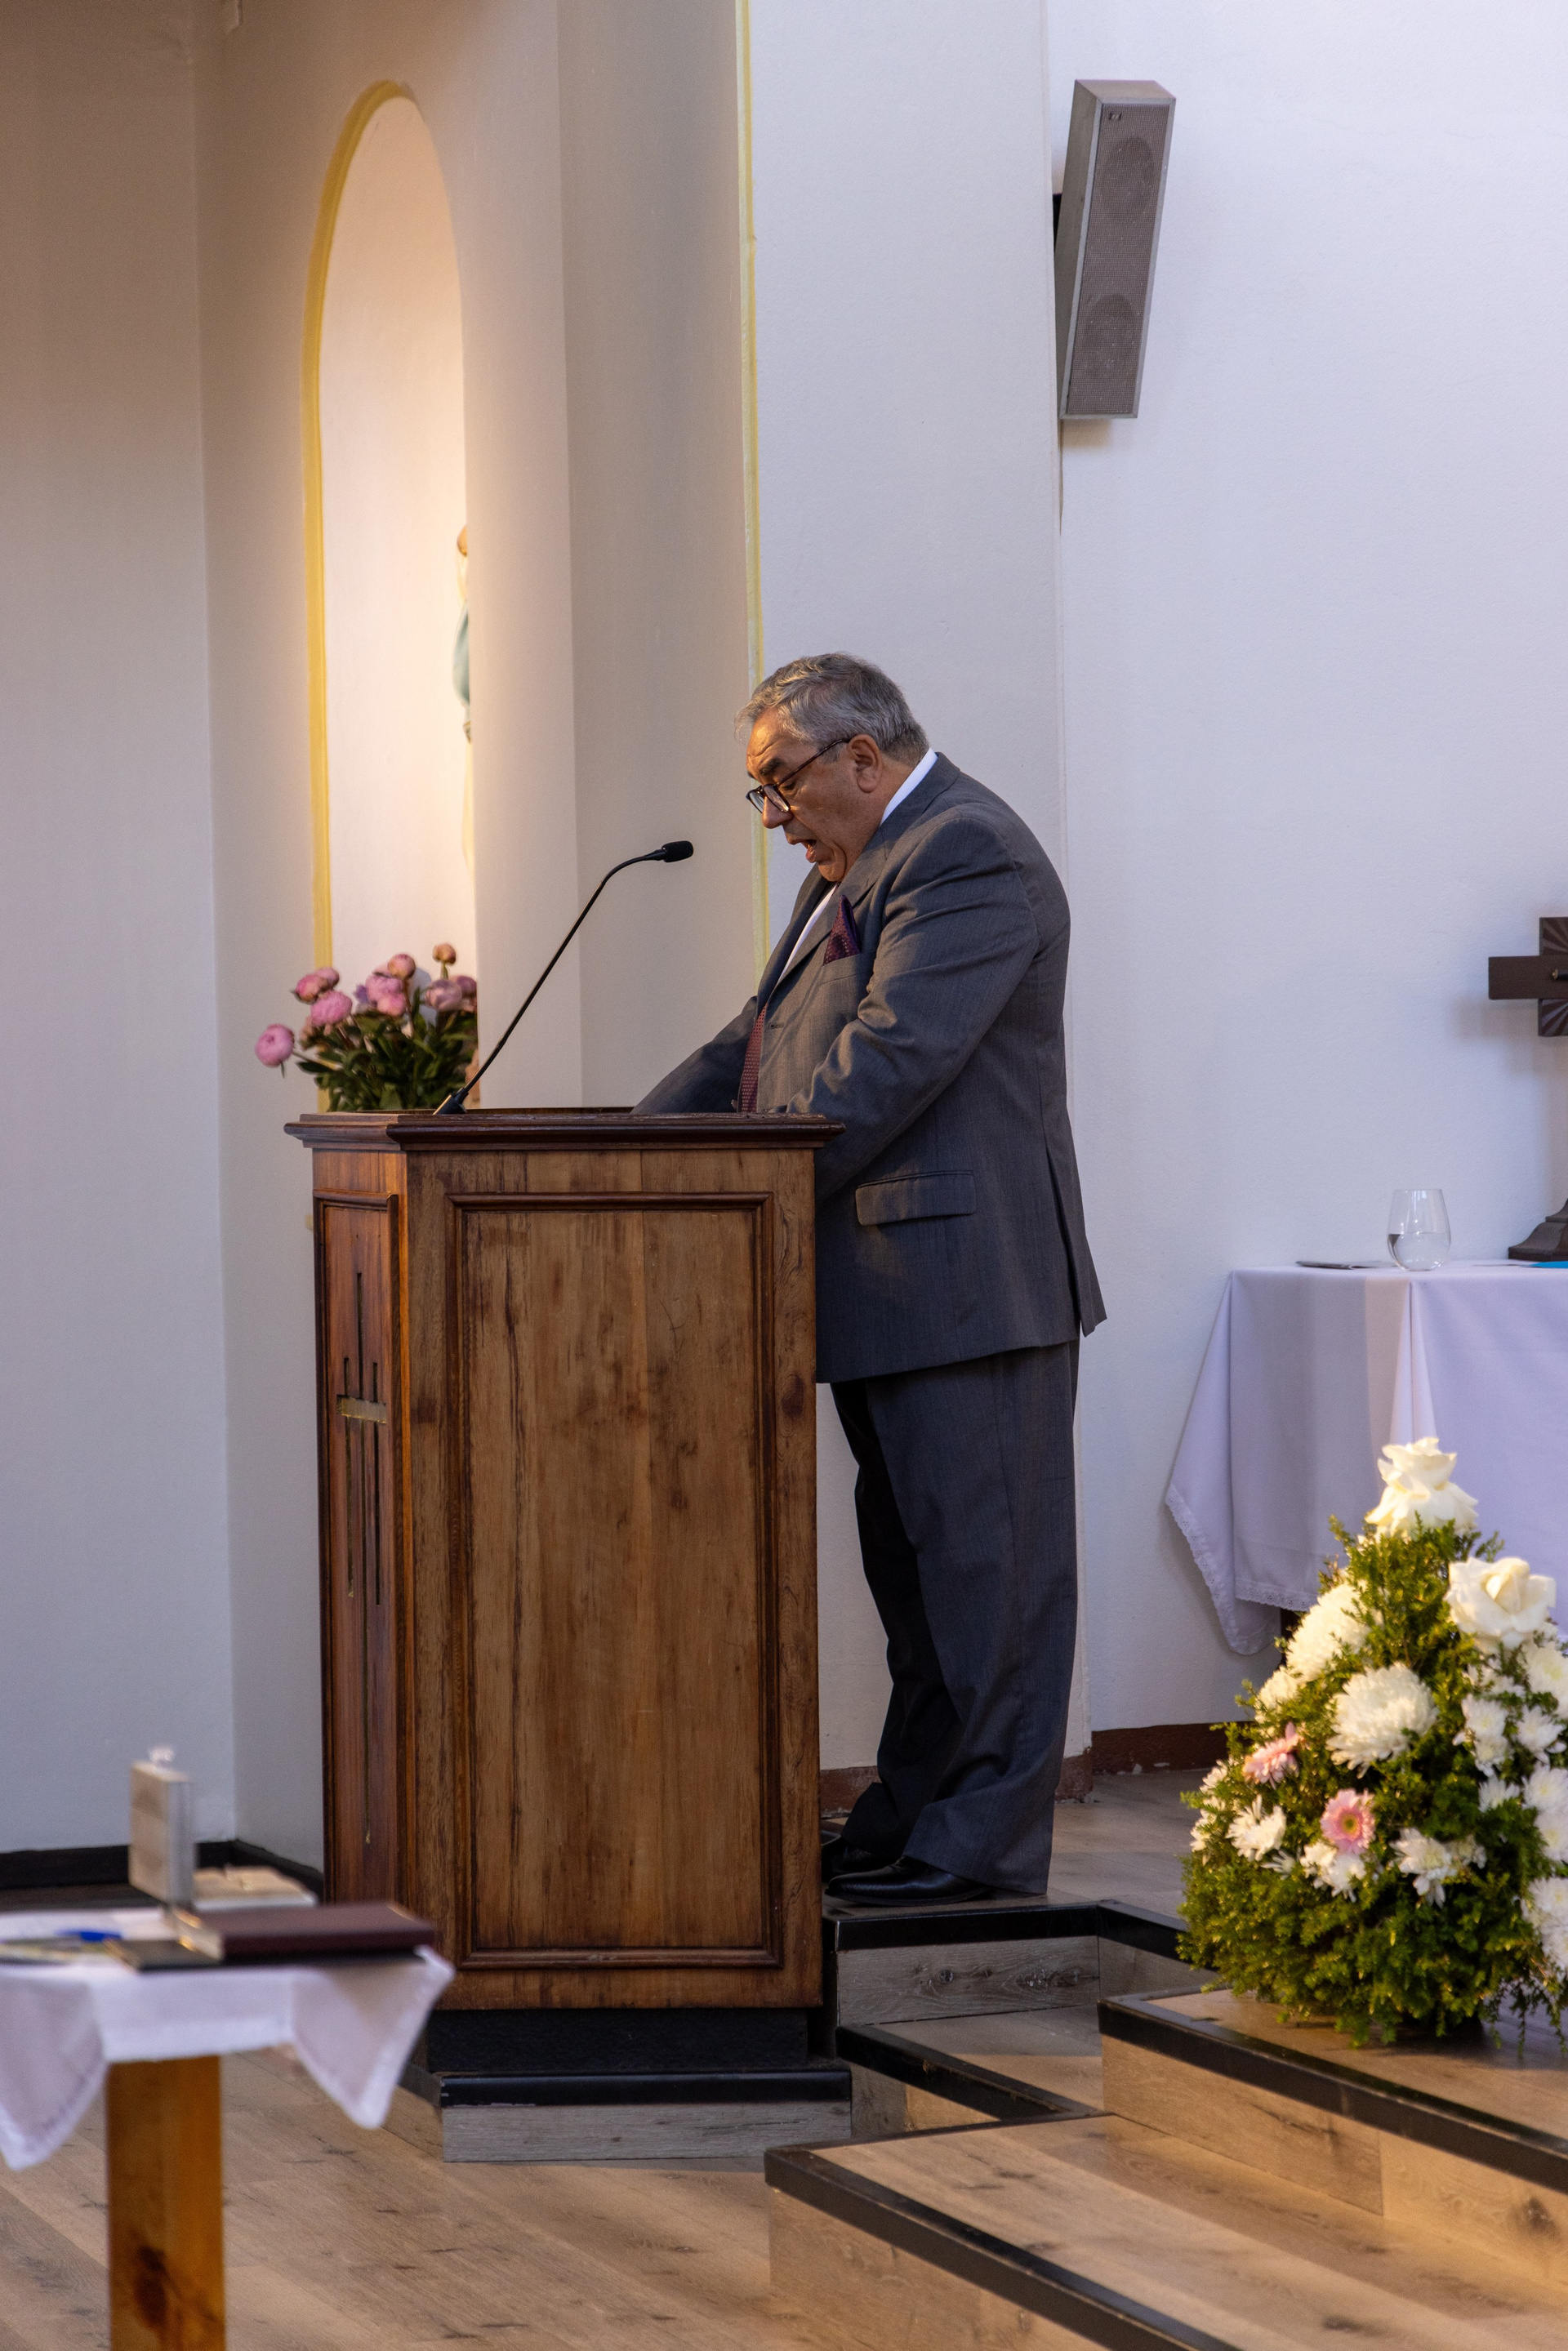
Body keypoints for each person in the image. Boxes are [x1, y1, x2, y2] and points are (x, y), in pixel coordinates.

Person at [638, 653, 1103, 1901]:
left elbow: (888, 1065)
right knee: (919, 1590)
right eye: (761, 792)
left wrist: (742, 1180)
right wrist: (626, 1150)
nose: (773, 815)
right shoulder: (850, 868)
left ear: (861, 756)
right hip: (888, 1290)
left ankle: (980, 1857)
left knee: (992, 1591)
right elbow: (755, 1044)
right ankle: (910, 1820)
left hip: (968, 1288)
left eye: (780, 783)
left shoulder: (964, 854)